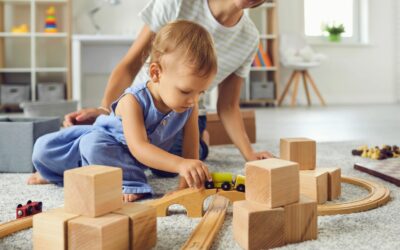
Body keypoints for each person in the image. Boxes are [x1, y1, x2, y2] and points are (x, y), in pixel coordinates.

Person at [64, 0, 274, 165]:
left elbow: (228, 105)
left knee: (169, 163)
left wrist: (249, 153)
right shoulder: (176, 2)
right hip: (138, 107)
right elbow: (130, 65)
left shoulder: (249, 38)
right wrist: (105, 112)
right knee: (93, 145)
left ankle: (201, 139)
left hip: (184, 115)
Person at [28, 20, 217, 202]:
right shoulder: (132, 100)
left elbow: (190, 152)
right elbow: (139, 148)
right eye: (185, 91)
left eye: (201, 92)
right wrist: (180, 164)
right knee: (50, 149)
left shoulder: (190, 106)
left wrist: (185, 185)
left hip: (150, 153)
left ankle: (98, 172)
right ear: (156, 73)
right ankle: (124, 181)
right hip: (112, 144)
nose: (193, 100)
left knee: (176, 164)